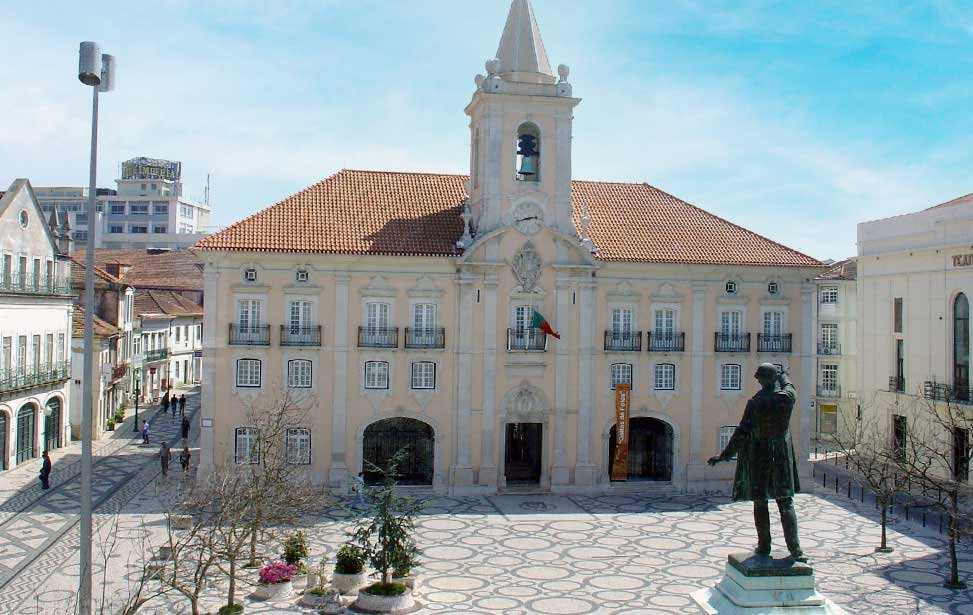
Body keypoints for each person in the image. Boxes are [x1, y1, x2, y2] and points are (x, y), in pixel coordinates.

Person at [709, 364, 804, 560]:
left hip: (759, 457)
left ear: (764, 379)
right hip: (781, 457)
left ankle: (764, 546)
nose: (758, 381)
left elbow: (741, 433)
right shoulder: (786, 399)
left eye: (759, 378)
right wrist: (783, 374)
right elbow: (791, 387)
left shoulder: (756, 403)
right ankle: (795, 550)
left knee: (760, 503)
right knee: (786, 503)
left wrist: (724, 455)